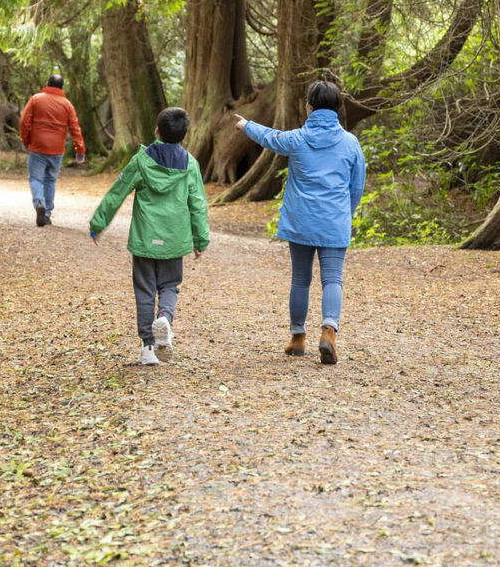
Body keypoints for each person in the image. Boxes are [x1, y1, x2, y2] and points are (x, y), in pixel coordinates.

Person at [234, 80, 365, 364]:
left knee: (301, 279)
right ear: (338, 108)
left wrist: (246, 125)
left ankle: (297, 338)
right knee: (333, 279)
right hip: (334, 222)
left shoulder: (298, 138)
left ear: (308, 107)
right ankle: (329, 331)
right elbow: (356, 187)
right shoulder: (351, 143)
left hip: (302, 221)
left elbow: (272, 138)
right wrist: (345, 213)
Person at [89, 107, 210, 366]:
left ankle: (147, 347)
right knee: (169, 286)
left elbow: (117, 191)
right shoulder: (189, 164)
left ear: (156, 130)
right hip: (174, 240)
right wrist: (201, 240)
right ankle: (164, 317)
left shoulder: (141, 161)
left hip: (145, 240)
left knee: (144, 291)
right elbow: (198, 204)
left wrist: (98, 223)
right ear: (185, 135)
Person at [20, 74, 86, 226]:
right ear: (62, 87)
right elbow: (75, 128)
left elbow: (24, 121)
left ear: (47, 83)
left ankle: (39, 204)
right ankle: (47, 213)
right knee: (50, 180)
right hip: (57, 149)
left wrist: (25, 140)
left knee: (36, 178)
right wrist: (80, 150)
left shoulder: (36, 99)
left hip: (37, 146)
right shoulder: (67, 105)